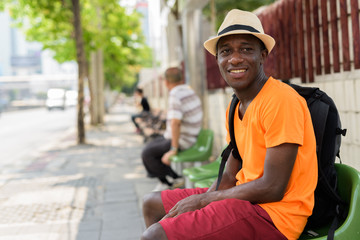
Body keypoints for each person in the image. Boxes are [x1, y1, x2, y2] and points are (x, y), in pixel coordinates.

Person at [141, 9, 318, 240]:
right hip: (245, 201)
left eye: (246, 49)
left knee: (155, 235)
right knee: (152, 204)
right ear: (218, 60)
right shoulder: (235, 106)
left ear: (263, 55)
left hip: (275, 215)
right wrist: (200, 202)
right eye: (226, 51)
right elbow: (228, 177)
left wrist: (204, 201)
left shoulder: (280, 100)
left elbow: (273, 187)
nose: (235, 59)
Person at [141, 67, 203, 192]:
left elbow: (175, 123)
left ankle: (171, 180)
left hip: (183, 139)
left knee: (147, 153)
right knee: (151, 145)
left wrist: (173, 149)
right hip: (189, 135)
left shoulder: (175, 94)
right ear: (181, 79)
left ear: (165, 82)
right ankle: (173, 178)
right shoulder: (189, 90)